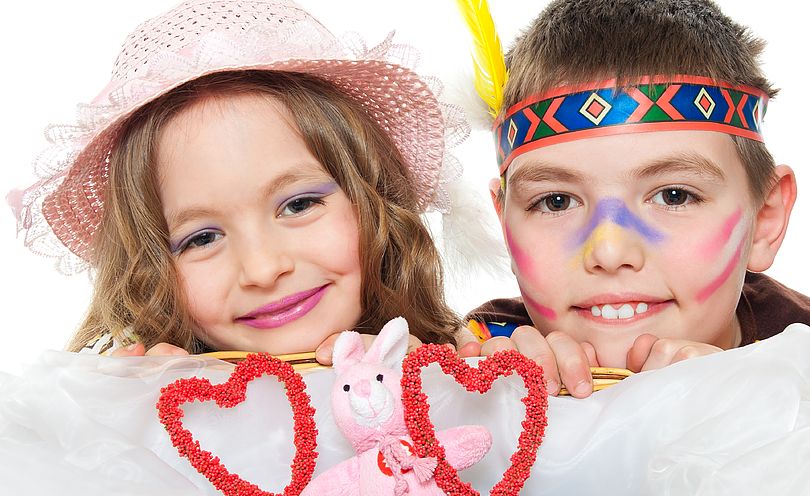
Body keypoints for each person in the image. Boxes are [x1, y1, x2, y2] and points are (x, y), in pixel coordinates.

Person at [7, 0, 470, 363]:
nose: (264, 270)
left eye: (299, 205)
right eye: (201, 238)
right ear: (148, 271)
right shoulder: (128, 419)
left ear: (375, 197)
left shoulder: (477, 366)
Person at [460, 0, 810, 396]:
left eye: (674, 195)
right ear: (505, 225)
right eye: (556, 201)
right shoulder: (468, 358)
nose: (609, 251)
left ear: (764, 220)